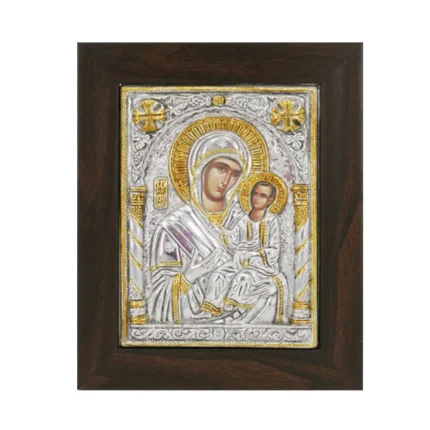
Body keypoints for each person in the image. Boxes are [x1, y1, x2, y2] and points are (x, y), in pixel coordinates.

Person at [197, 180, 288, 324]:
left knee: (243, 277)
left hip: (261, 266)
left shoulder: (271, 221)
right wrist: (218, 229)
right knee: (219, 274)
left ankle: (235, 309)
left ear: (270, 201)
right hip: (239, 262)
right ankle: (210, 310)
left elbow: (274, 250)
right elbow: (232, 240)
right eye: (255, 194)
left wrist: (252, 255)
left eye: (262, 196)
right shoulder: (244, 220)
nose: (256, 198)